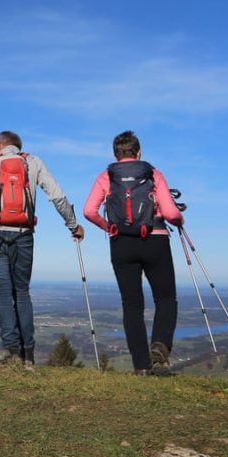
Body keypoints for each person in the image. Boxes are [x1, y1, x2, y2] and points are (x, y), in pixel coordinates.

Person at [0, 130, 84, 365]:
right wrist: (73, 226)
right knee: (22, 292)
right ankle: (28, 353)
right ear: (18, 147)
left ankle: (13, 351)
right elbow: (58, 197)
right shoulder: (32, 162)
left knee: (3, 294)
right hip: (23, 235)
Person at [83, 130, 184, 376]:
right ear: (138, 152)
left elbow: (88, 211)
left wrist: (109, 227)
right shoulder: (152, 174)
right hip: (155, 240)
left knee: (131, 304)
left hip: (121, 244)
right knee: (165, 298)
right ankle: (160, 345)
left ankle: (141, 366)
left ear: (116, 154)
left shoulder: (106, 176)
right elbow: (171, 213)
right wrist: (179, 219)